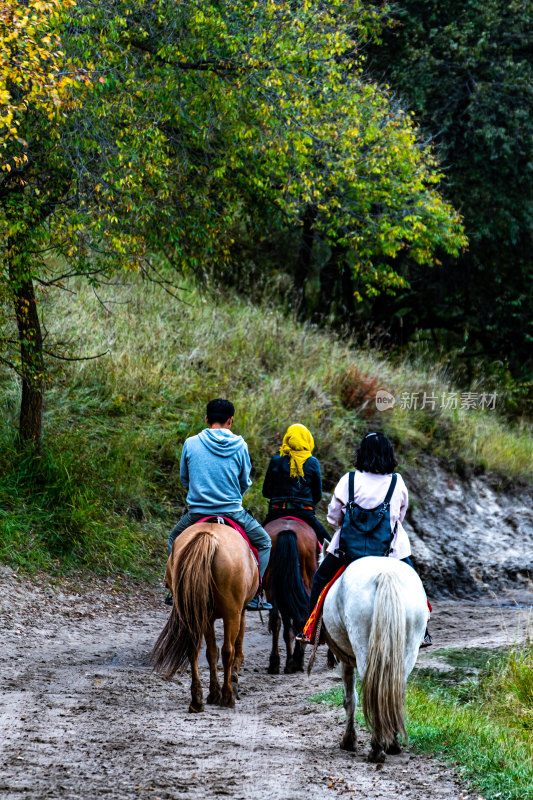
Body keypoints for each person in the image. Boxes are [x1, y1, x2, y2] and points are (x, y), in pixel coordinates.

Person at [300, 431, 432, 646]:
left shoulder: (349, 479)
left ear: (361, 454)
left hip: (348, 552)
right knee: (415, 584)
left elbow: (334, 518)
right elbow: (399, 516)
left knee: (320, 580)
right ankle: (423, 631)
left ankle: (310, 629)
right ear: (389, 455)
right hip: (389, 551)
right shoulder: (397, 483)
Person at [167, 398, 272, 610]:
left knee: (173, 538)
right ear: (230, 421)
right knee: (264, 543)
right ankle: (253, 595)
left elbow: (184, 478)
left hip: (197, 512)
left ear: (206, 419)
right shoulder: (240, 445)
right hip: (232, 512)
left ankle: (173, 589)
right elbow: (244, 482)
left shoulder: (191, 443)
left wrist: (199, 493)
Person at [262, 423, 329, 544]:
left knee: (252, 545)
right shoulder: (312, 462)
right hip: (305, 513)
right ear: (307, 440)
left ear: (287, 439)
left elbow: (266, 492)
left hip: (277, 512)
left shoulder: (276, 461)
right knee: (331, 546)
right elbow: (317, 496)